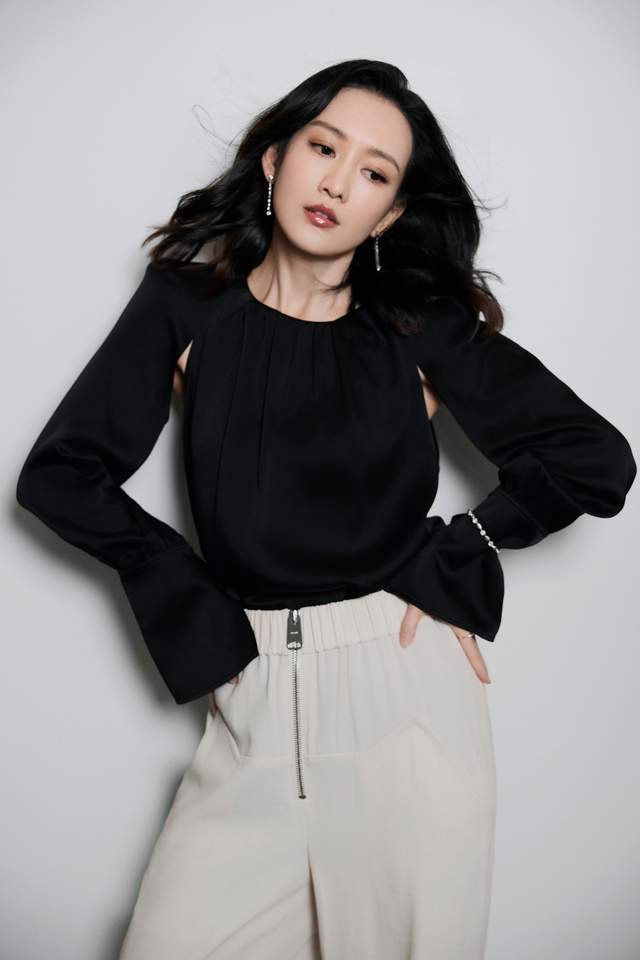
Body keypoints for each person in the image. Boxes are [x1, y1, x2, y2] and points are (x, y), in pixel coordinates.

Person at [15, 60, 636, 960]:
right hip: (252, 706)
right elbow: (61, 473)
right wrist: (180, 585)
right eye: (323, 148)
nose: (339, 182)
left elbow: (594, 458)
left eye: (374, 172)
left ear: (387, 214)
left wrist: (465, 545)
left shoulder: (417, 326)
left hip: (403, 706)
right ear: (275, 160)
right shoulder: (186, 307)